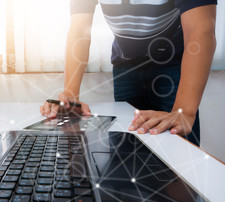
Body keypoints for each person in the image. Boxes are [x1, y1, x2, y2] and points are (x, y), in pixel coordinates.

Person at [40, 0, 217, 146]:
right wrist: (71, 96)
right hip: (126, 66)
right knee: (127, 148)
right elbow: (79, 30)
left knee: (180, 148)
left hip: (173, 64)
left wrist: (184, 111)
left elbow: (200, 29)